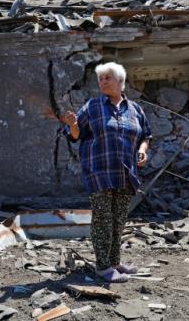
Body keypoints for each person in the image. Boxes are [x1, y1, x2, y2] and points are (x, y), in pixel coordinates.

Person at [63, 62, 152, 282]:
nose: (102, 82)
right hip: (100, 171)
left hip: (126, 173)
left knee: (119, 219)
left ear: (120, 82)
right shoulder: (92, 106)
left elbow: (145, 136)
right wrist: (73, 125)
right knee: (103, 218)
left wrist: (142, 151)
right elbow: (74, 135)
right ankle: (103, 267)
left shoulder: (135, 110)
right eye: (100, 79)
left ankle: (114, 262)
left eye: (107, 78)